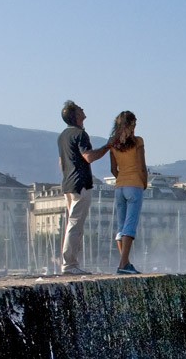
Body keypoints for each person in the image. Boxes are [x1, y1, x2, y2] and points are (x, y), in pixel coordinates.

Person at [58, 100, 109, 274]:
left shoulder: (62, 136)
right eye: (80, 108)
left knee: (72, 223)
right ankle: (70, 264)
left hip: (68, 184)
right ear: (76, 116)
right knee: (75, 224)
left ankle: (72, 263)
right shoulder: (80, 134)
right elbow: (88, 157)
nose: (83, 109)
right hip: (81, 184)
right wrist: (107, 147)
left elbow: (61, 162)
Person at [107, 110, 148, 274]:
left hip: (119, 187)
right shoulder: (138, 142)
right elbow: (141, 166)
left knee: (121, 225)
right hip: (134, 186)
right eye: (135, 124)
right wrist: (143, 183)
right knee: (130, 225)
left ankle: (125, 263)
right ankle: (123, 265)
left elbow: (112, 169)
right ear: (131, 125)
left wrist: (121, 178)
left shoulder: (113, 144)